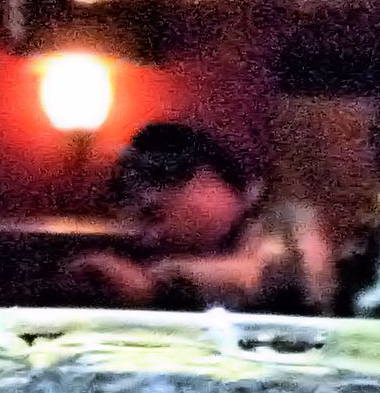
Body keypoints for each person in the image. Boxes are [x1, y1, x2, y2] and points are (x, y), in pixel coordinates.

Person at [62, 123, 337, 315]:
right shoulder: (189, 248)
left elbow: (282, 274)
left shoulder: (287, 216)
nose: (150, 236)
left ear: (206, 182)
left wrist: (153, 284)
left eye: (155, 214)